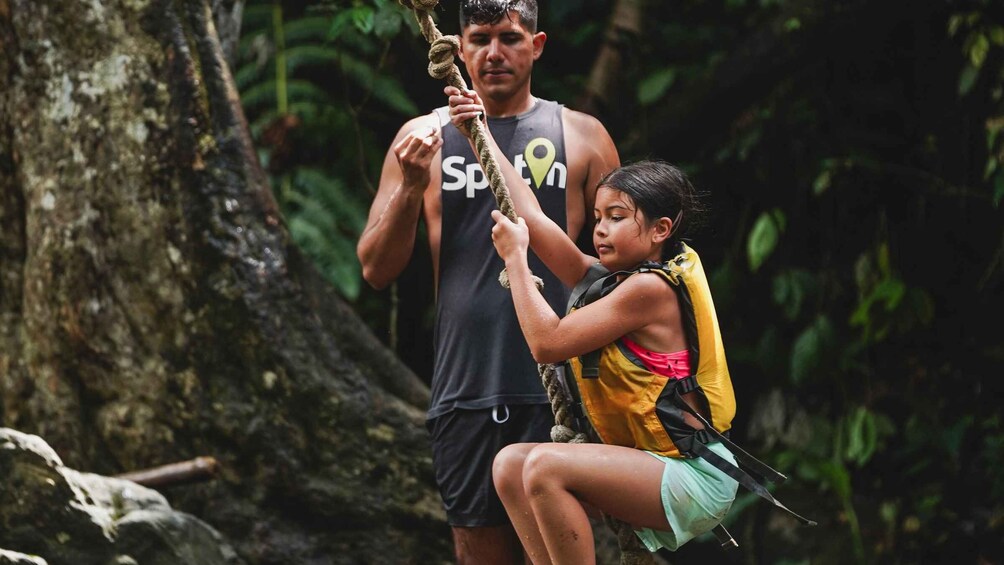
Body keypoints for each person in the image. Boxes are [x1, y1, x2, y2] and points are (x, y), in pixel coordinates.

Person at [355, 1, 620, 562]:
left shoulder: (583, 136)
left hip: (566, 389)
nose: (494, 53)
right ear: (456, 45)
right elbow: (375, 269)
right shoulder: (421, 137)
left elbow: (621, 275)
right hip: (465, 388)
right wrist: (409, 186)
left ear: (537, 44)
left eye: (509, 37)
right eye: (479, 39)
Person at [447, 88, 741, 562]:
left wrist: (516, 262)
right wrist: (477, 132)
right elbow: (533, 216)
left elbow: (548, 343)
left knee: (543, 466)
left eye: (617, 218)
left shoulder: (650, 291)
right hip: (650, 463)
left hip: (693, 473)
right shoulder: (610, 279)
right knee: (509, 466)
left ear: (661, 230)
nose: (600, 228)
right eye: (598, 217)